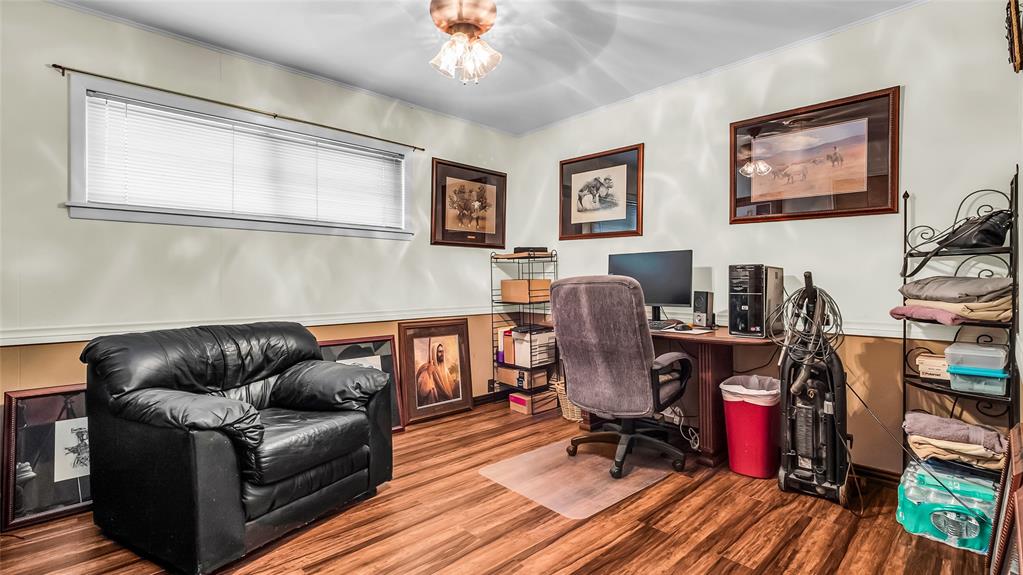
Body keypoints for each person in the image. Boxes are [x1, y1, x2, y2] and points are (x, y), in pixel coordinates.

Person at [415, 340, 459, 405]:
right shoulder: (426, 369)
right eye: (440, 352)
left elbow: (451, 388)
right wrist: (429, 373)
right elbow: (422, 392)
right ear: (434, 353)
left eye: (443, 351)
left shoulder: (445, 370)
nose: (442, 354)